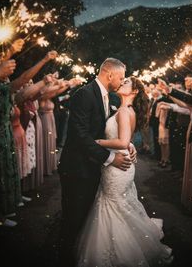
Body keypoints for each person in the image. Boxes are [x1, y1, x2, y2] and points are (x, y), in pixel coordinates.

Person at [75, 76, 173, 267]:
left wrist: (96, 142)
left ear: (134, 91)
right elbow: (125, 140)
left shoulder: (123, 111)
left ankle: (120, 255)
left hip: (117, 167)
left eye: (127, 82)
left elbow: (121, 141)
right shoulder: (126, 110)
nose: (122, 83)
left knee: (113, 204)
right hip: (120, 164)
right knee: (117, 204)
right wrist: (128, 144)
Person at [57, 58, 137, 267]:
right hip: (77, 169)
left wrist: (127, 144)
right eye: (120, 77)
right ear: (109, 74)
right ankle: (66, 259)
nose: (121, 81)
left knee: (84, 219)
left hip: (91, 167)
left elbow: (107, 129)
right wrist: (111, 157)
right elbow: (79, 135)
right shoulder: (84, 94)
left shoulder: (107, 97)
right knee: (73, 219)